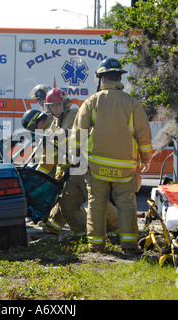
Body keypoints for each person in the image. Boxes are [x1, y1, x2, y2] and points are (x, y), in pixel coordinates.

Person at [71, 58, 152, 254]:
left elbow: (78, 133)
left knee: (97, 203)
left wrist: (77, 160)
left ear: (101, 78)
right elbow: (144, 134)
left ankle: (96, 245)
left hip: (97, 167)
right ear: (119, 77)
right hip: (125, 168)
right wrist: (146, 159)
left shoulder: (92, 101)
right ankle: (130, 245)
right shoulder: (132, 103)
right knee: (126, 204)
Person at [36, 88, 118, 237]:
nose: (56, 109)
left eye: (58, 105)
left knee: (98, 203)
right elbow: (58, 150)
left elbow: (76, 141)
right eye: (52, 106)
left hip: (86, 166)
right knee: (67, 204)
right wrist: (60, 169)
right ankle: (81, 234)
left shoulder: (75, 115)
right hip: (73, 170)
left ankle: (124, 229)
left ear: (65, 104)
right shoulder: (55, 123)